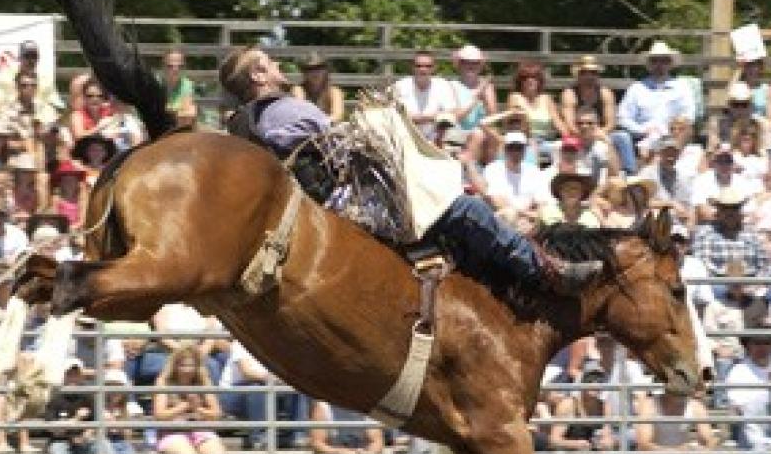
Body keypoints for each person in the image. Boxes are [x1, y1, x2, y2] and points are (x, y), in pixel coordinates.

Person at [217, 45, 605, 294]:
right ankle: (544, 272)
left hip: (326, 205)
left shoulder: (251, 125)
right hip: (354, 204)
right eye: (269, 63)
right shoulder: (289, 110)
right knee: (466, 209)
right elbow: (347, 140)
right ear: (258, 76)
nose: (278, 64)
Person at [152, 345, 259, 454]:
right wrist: (185, 406)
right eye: (183, 365)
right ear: (175, 365)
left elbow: (216, 413)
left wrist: (197, 409)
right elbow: (160, 415)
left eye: (191, 365)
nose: (187, 370)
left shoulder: (203, 381)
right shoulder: (164, 382)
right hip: (171, 432)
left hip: (198, 429)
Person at [617, 42, 697, 158]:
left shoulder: (682, 87)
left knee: (684, 132)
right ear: (649, 64)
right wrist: (642, 130)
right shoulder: (637, 88)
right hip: (644, 136)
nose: (659, 65)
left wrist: (672, 130)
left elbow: (689, 115)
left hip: (673, 135)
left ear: (670, 63)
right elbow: (623, 117)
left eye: (664, 61)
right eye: (654, 61)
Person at [561, 55, 631, 173]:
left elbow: (611, 122)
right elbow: (570, 124)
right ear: (578, 75)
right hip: (578, 133)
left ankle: (629, 173)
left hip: (601, 132)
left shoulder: (605, 93)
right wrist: (585, 133)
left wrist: (600, 133)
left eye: (593, 73)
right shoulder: (570, 93)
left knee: (623, 137)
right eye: (584, 73)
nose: (589, 76)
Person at [690, 187, 771, 280]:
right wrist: (726, 280)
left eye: (734, 208)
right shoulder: (705, 233)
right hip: (717, 281)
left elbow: (765, 263)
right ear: (718, 211)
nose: (730, 213)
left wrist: (757, 283)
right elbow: (701, 264)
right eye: (725, 208)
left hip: (751, 280)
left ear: (740, 211)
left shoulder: (752, 233)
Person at [390, 51, 459, 140]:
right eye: (418, 66)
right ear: (412, 67)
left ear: (434, 68)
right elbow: (392, 113)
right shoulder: (400, 86)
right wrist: (431, 117)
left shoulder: (443, 85)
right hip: (405, 136)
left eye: (428, 66)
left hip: (436, 136)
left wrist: (417, 118)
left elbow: (452, 112)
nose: (423, 69)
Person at [161, 49, 199, 126]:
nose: (175, 69)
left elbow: (187, 114)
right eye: (170, 66)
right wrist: (177, 111)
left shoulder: (186, 84)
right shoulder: (157, 84)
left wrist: (167, 111)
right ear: (163, 67)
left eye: (180, 66)